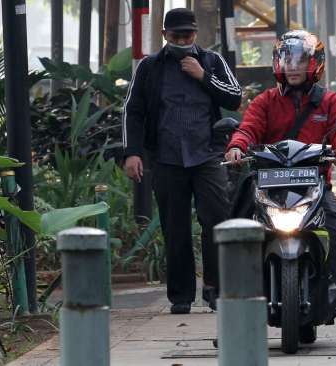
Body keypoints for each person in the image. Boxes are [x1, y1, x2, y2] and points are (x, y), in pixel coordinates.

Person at [225, 30, 336, 349]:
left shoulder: (330, 101)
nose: (294, 67)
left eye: (301, 61)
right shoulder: (265, 101)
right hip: (268, 187)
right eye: (288, 60)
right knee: (233, 238)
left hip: (314, 187)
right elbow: (247, 128)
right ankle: (229, 315)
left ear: (316, 64)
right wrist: (236, 147)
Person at [122, 8, 242, 314]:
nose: (182, 40)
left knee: (216, 221)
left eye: (187, 35)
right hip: (166, 158)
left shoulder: (212, 61)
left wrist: (203, 77)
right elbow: (133, 112)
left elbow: (234, 97)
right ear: (164, 36)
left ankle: (215, 288)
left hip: (207, 156)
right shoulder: (150, 67)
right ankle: (180, 296)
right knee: (174, 229)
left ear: (195, 34)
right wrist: (132, 153)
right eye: (176, 36)